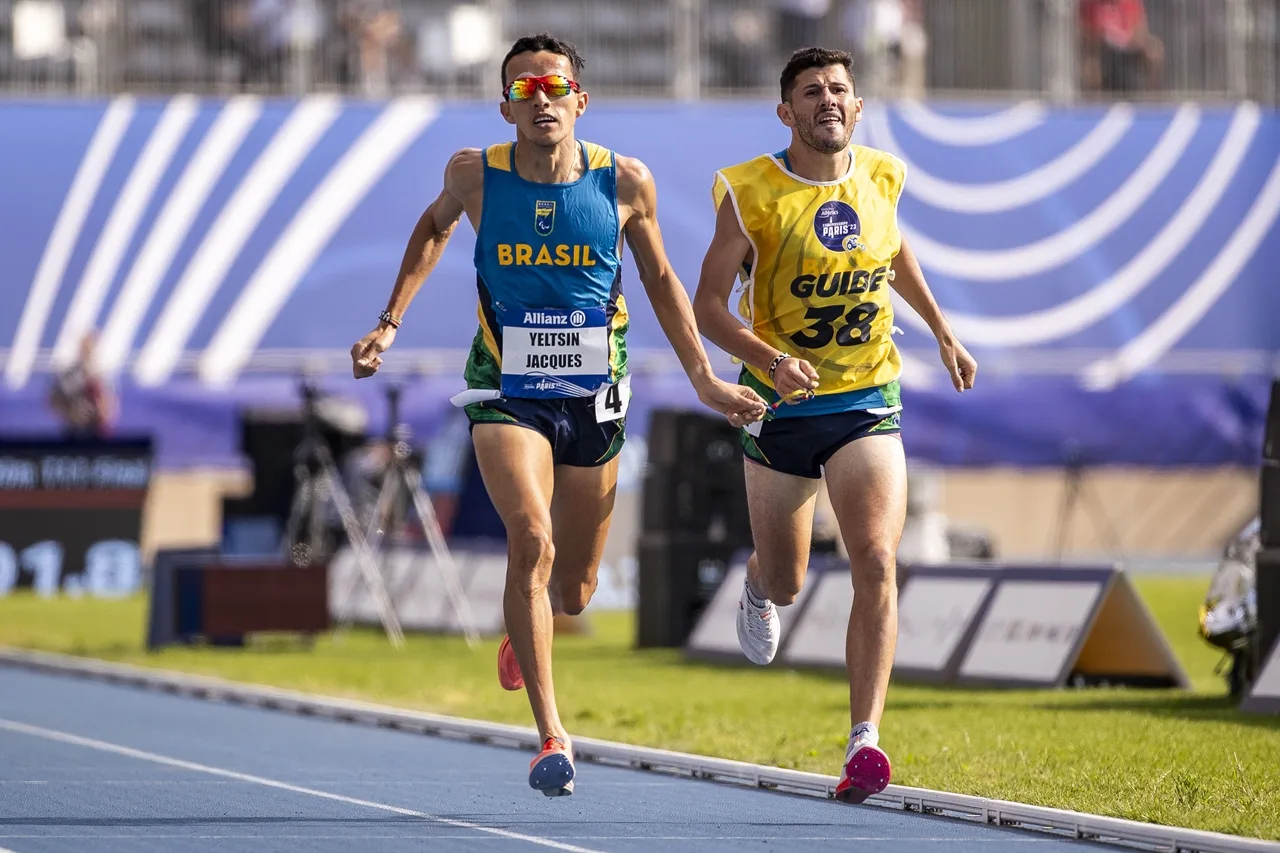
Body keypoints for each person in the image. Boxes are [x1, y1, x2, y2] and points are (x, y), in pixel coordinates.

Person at [350, 33, 766, 798]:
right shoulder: (475, 174)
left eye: (554, 86)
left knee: (573, 586)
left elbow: (665, 280)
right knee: (531, 538)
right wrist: (390, 321)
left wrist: (703, 375)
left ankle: (526, 626)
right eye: (525, 89)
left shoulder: (624, 181)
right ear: (506, 105)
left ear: (580, 98)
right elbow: (433, 228)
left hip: (594, 397)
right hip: (506, 390)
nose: (541, 100)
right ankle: (551, 732)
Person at [692, 46, 976, 804]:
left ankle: (864, 740)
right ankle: (757, 580)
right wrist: (767, 357)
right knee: (788, 579)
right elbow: (708, 308)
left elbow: (893, 249)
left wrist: (942, 329)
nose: (828, 99)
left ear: (856, 107)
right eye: (811, 90)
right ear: (786, 112)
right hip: (779, 408)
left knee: (876, 558)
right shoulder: (748, 191)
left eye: (840, 90)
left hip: (865, 398)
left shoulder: (883, 175)